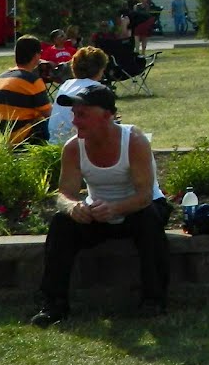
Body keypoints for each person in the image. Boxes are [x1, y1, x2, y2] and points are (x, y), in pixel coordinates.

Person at [30, 83, 171, 326]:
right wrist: (73, 207)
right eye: (74, 114)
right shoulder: (73, 148)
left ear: (107, 115)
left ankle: (153, 300)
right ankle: (54, 304)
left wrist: (116, 209)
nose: (75, 121)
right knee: (61, 224)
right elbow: (64, 193)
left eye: (82, 114)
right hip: (98, 212)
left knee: (150, 219)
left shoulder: (134, 141)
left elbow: (145, 195)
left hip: (137, 209)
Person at [0, 35, 53, 146]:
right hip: (16, 138)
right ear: (36, 56)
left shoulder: (0, 78)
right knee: (48, 122)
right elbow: (49, 114)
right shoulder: (32, 80)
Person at [48, 46, 108, 146]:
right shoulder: (98, 89)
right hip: (78, 146)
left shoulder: (66, 84)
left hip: (55, 143)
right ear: (100, 69)